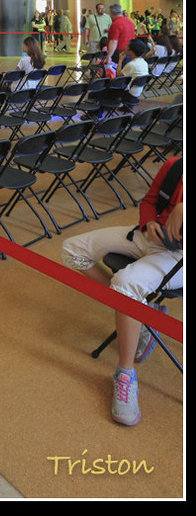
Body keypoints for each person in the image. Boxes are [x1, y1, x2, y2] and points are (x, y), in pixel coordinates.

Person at [61, 157, 183, 426]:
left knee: (125, 283)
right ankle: (142, 312)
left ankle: (125, 374)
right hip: (148, 236)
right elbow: (149, 201)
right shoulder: (175, 165)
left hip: (178, 257)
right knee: (72, 250)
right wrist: (148, 223)